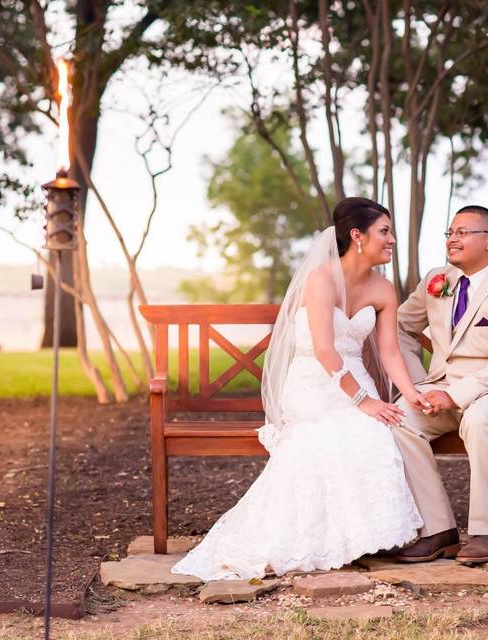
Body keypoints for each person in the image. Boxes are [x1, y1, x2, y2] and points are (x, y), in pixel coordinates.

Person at [172, 197, 427, 581]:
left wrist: (410, 394)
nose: (391, 240)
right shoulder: (322, 278)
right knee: (339, 431)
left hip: (355, 378)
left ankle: (358, 537)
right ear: (357, 236)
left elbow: (390, 352)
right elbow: (325, 350)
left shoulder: (384, 289)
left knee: (377, 430)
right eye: (385, 231)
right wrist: (365, 400)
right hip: (314, 382)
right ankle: (318, 538)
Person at [391, 205, 488, 564]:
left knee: (480, 420)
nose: (452, 239)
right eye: (450, 232)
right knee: (397, 420)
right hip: (439, 388)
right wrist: (416, 385)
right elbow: (397, 328)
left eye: (462, 232)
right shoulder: (436, 280)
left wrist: (454, 395)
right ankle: (438, 529)